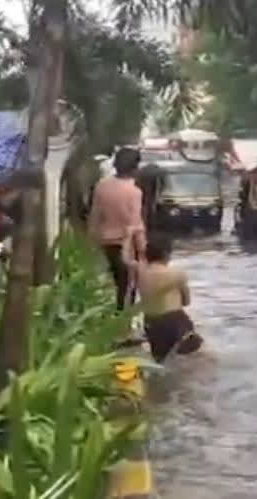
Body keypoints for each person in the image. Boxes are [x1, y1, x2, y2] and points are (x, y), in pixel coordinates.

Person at [88, 147, 145, 310]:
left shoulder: (102, 186)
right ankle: (123, 324)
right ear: (135, 167)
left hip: (106, 241)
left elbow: (94, 215)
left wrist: (92, 241)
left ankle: (118, 319)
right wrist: (142, 250)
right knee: (128, 287)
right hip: (127, 244)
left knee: (117, 282)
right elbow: (135, 224)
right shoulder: (134, 192)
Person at [135, 233, 202, 362]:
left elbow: (126, 259)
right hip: (174, 320)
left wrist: (129, 236)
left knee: (160, 360)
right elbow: (186, 302)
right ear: (166, 254)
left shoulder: (139, 272)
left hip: (151, 321)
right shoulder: (177, 274)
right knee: (195, 358)